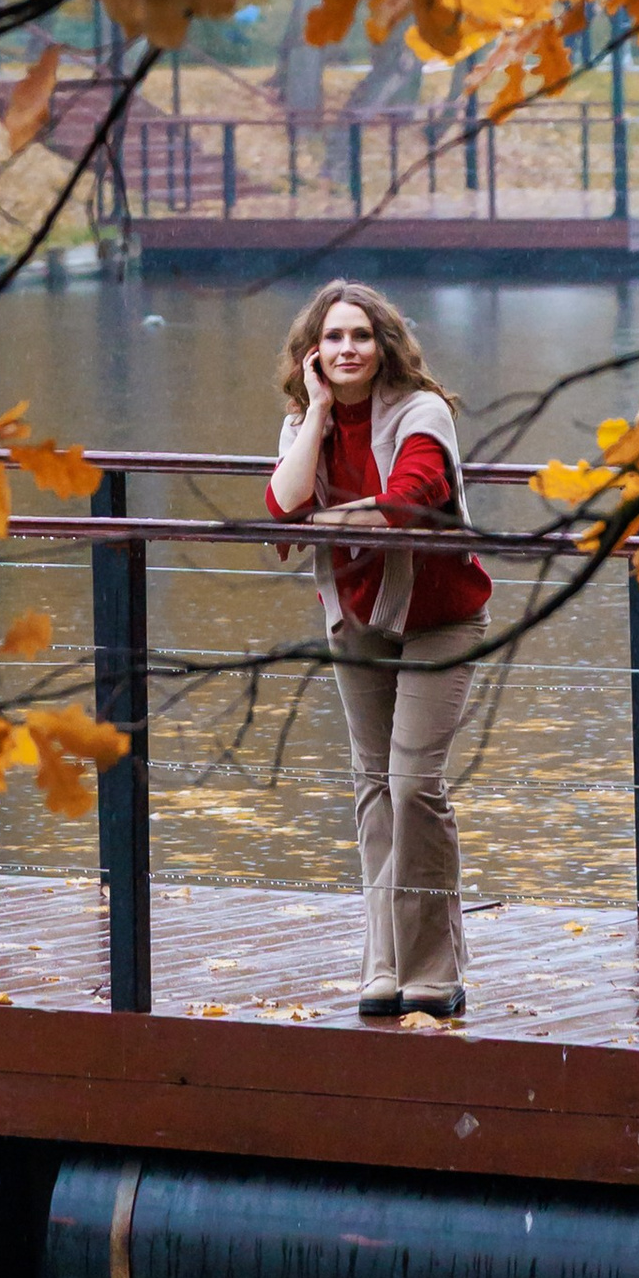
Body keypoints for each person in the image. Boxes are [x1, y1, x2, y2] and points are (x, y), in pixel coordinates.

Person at [266, 279, 491, 1026]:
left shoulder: (420, 411)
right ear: (312, 354)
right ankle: (383, 966)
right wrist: (320, 415)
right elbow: (281, 507)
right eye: (332, 338)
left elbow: (414, 495)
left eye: (360, 335)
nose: (347, 349)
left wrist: (326, 519)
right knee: (373, 788)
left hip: (441, 621)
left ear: (384, 344)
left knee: (413, 787)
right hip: (357, 620)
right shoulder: (306, 421)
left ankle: (432, 971)